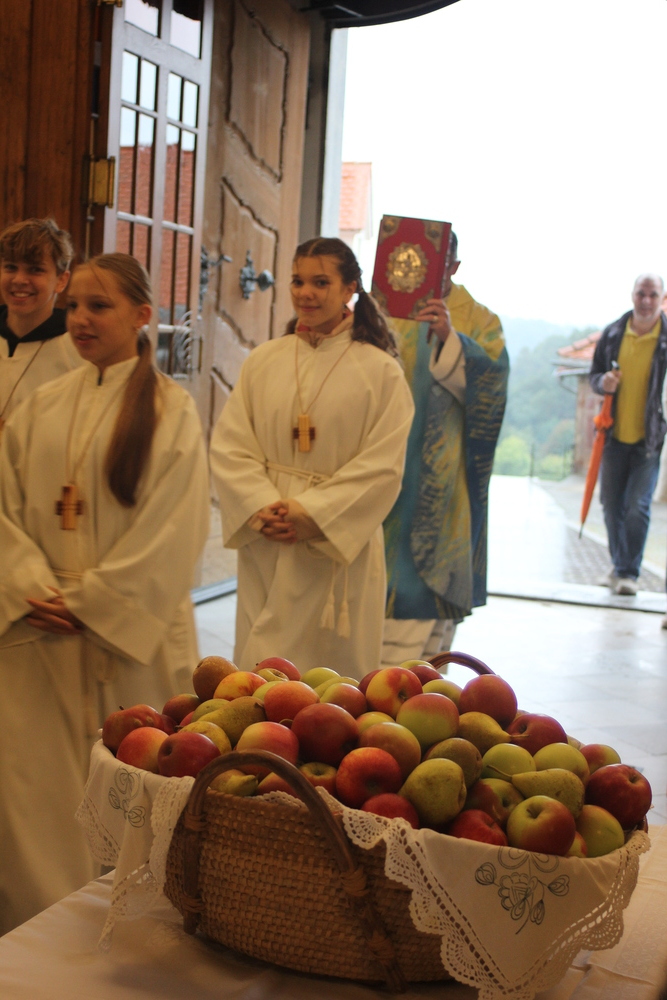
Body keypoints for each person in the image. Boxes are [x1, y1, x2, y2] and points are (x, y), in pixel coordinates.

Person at [0, 253, 209, 934]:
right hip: (38, 628)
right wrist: (28, 586)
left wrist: (93, 603)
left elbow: (174, 527)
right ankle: (39, 938)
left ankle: (132, 938)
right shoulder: (41, 406)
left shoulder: (171, 411)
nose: (81, 319)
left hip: (127, 641)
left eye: (100, 306)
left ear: (142, 315)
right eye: (75, 307)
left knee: (134, 799)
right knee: (37, 802)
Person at [210, 237, 414, 679]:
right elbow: (230, 444)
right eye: (298, 281)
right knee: (260, 676)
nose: (306, 293)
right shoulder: (264, 360)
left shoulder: (381, 372)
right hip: (269, 533)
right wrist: (261, 505)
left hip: (333, 543)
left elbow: (382, 468)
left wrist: (310, 514)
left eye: (321, 282)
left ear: (350, 289)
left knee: (328, 683)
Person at [382, 231, 509, 665]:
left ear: (453, 266)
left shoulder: (479, 319)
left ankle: (423, 685)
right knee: (372, 600)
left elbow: (492, 387)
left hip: (442, 479)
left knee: (426, 604)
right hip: (382, 468)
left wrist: (452, 341)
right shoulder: (383, 312)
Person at [589, 273, 667, 599]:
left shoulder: (664, 340)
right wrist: (602, 382)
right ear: (632, 295)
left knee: (637, 506)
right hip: (612, 436)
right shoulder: (613, 334)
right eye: (641, 293)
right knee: (610, 506)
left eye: (653, 294)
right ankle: (619, 565)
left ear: (662, 298)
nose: (646, 301)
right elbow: (593, 376)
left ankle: (628, 573)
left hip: (649, 439)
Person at [1, 217, 81, 428]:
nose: (19, 279)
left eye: (35, 269)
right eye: (10, 267)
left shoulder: (78, 348)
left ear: (61, 280)